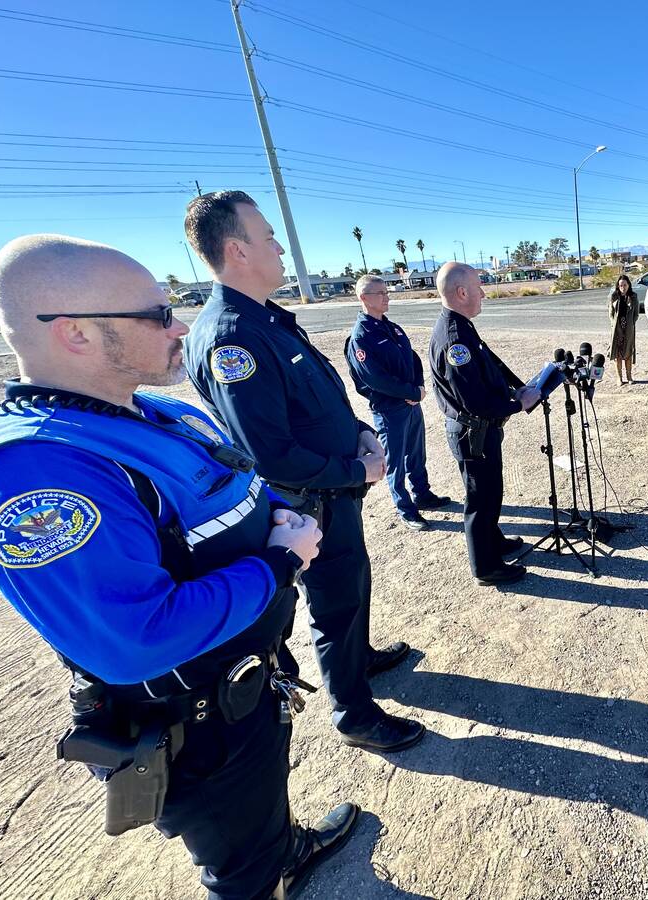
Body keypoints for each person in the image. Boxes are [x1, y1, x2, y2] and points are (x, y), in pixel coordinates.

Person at [0, 234, 355, 900]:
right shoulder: (37, 477)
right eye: (157, 314)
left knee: (259, 810)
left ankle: (283, 847)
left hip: (245, 683)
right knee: (239, 867)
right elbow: (134, 637)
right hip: (198, 722)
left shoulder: (149, 411)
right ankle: (264, 866)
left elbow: (234, 492)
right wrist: (279, 563)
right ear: (77, 333)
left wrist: (278, 518)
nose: (180, 327)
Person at [182, 191, 424, 753]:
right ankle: (355, 714)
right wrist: (354, 468)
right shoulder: (231, 337)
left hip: (335, 488)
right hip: (312, 499)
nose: (281, 248)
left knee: (351, 585)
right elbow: (269, 453)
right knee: (334, 601)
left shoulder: (264, 320)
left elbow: (314, 404)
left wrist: (361, 431)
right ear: (238, 250)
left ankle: (358, 657)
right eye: (268, 238)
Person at [429, 261, 540, 586]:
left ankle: (494, 542)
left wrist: (518, 386)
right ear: (462, 292)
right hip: (472, 433)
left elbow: (491, 361)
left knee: (492, 493)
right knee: (480, 500)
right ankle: (486, 568)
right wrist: (518, 404)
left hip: (481, 431)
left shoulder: (461, 325)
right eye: (479, 288)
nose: (483, 294)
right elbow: (474, 401)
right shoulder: (454, 339)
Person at [345, 274, 451, 531]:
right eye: (379, 293)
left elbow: (412, 357)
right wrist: (408, 392)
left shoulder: (392, 328)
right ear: (363, 298)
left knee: (416, 453)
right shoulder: (362, 336)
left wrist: (418, 387)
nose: (386, 296)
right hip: (389, 408)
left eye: (386, 291)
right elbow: (373, 378)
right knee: (394, 460)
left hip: (411, 404)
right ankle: (405, 508)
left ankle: (423, 494)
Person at [607, 274, 639, 384]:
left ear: (628, 285)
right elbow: (611, 314)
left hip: (629, 328)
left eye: (625, 285)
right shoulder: (613, 296)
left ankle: (629, 376)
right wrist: (615, 325)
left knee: (628, 352)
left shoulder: (633, 297)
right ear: (618, 286)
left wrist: (630, 323)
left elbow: (636, 314)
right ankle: (619, 377)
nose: (623, 287)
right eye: (621, 285)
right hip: (617, 328)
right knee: (617, 354)